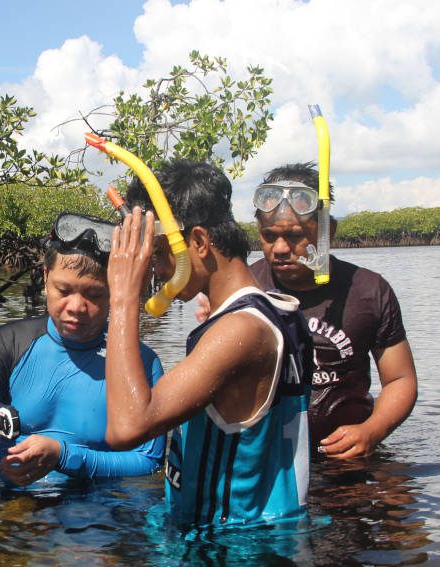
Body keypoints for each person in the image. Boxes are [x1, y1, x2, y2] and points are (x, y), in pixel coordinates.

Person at [104, 159, 314, 526]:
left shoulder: (241, 331)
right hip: (246, 535)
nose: (154, 267)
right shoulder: (274, 311)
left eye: (157, 251)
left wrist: (123, 296)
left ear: (198, 242)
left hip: (231, 546)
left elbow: (126, 427)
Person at [0, 213, 165, 487]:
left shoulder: (143, 364)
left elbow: (149, 461)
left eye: (94, 295)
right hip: (15, 513)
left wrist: (64, 457)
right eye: (63, 290)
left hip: (98, 516)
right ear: (46, 277)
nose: (76, 307)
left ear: (115, 291)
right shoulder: (9, 343)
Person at [247, 162, 418, 459]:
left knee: (399, 500)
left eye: (295, 235)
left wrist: (372, 431)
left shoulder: (368, 291)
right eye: (269, 236)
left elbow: (400, 380)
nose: (280, 248)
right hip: (267, 459)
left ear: (328, 230)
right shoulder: (246, 287)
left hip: (347, 458)